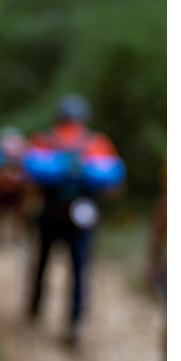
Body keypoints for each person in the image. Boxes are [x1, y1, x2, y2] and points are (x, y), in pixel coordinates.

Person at [22, 94, 125, 348]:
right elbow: (113, 186)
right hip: (83, 219)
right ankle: (74, 325)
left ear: (58, 116)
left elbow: (30, 180)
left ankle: (35, 308)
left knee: (42, 262)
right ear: (83, 118)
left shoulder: (44, 140)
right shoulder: (98, 143)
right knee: (79, 270)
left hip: (50, 214)